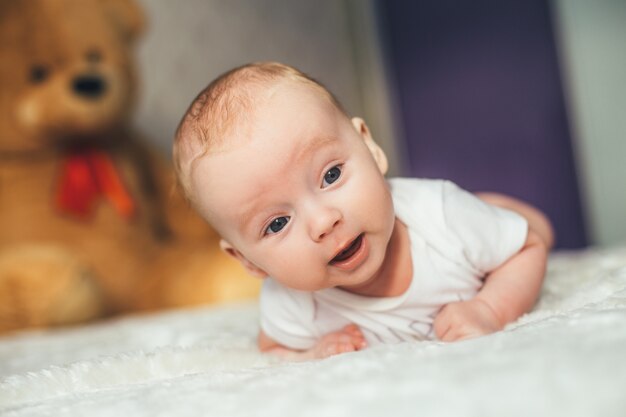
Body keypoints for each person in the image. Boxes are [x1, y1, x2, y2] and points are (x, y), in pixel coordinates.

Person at [172, 62, 554, 361]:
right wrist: (311, 353)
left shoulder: (441, 215)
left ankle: (494, 205)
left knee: (532, 228)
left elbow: (529, 247)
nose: (323, 222)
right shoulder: (290, 300)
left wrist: (488, 308)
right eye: (276, 223)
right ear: (248, 261)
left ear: (370, 148)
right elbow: (272, 348)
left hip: (462, 217)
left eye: (331, 175)